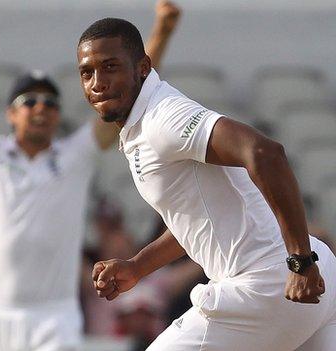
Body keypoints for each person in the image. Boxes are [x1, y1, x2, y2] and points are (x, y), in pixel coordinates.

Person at [0, 0, 181, 349]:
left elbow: (132, 92)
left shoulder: (76, 155)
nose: (42, 108)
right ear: (11, 114)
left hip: (55, 316)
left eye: (51, 103)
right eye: (30, 101)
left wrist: (162, 30)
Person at [79, 18, 336, 350]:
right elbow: (198, 217)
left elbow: (265, 152)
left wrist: (300, 260)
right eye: (87, 73)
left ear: (142, 67)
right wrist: (137, 266)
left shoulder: (163, 117)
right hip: (309, 281)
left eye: (110, 67)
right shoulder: (143, 124)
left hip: (269, 284)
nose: (97, 83)